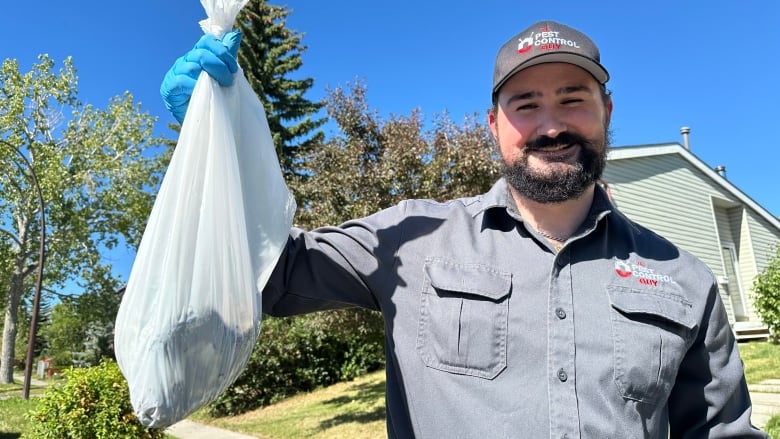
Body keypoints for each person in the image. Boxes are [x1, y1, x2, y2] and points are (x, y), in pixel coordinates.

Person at [160, 20, 768, 438]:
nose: (551, 124)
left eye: (573, 98)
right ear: (494, 126)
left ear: (607, 112)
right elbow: (266, 273)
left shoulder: (684, 281)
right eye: (525, 104)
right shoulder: (408, 240)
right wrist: (216, 145)